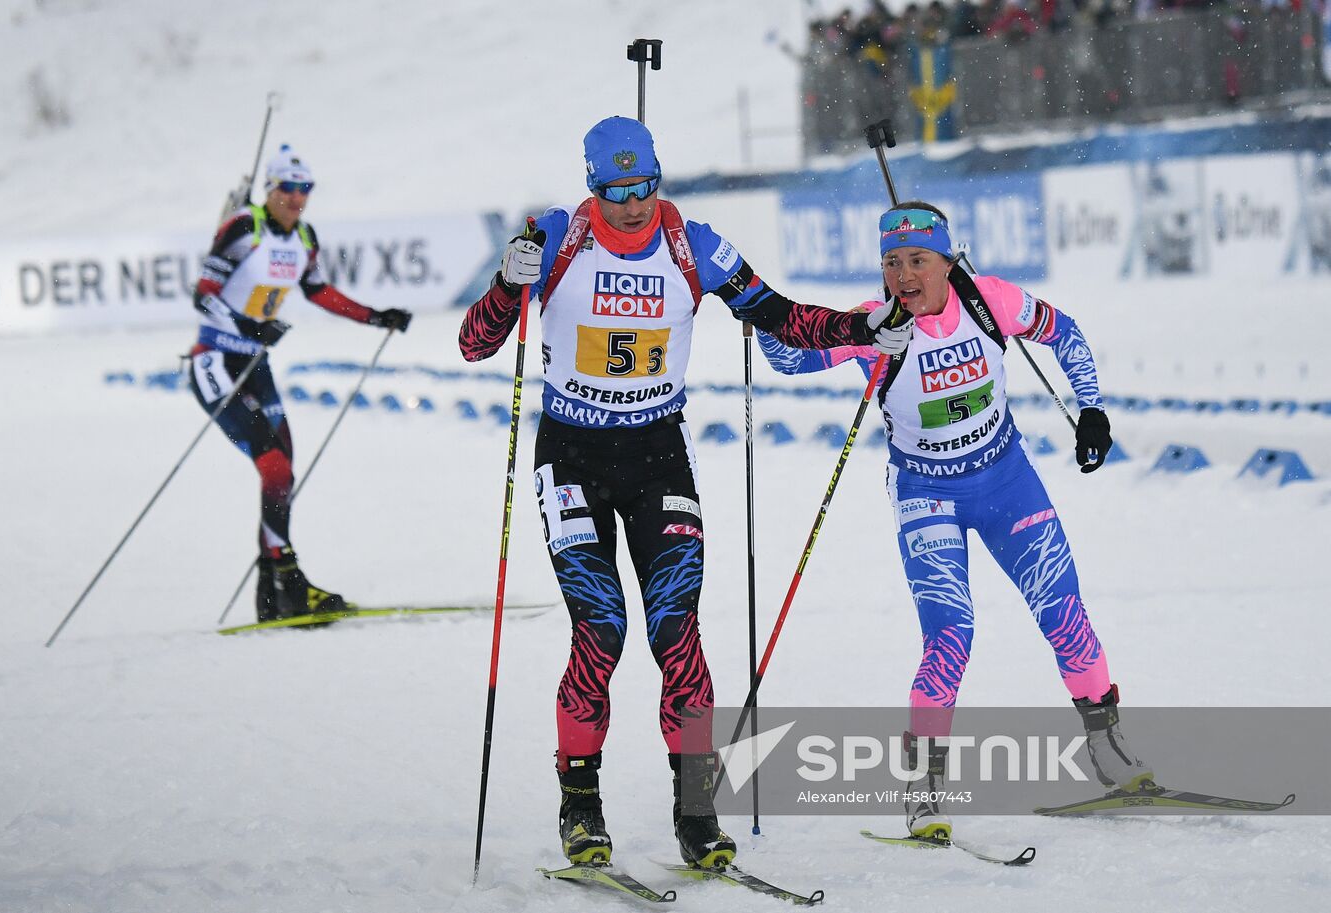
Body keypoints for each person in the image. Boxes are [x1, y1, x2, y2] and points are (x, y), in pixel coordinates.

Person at [458, 116, 913, 868]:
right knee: (601, 629)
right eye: (616, 191)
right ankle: (581, 804)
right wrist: (510, 280)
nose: (633, 204)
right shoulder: (555, 240)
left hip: (656, 454)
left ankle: (696, 810)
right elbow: (475, 343)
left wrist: (864, 326)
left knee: (678, 632)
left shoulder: (694, 244)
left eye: (645, 188)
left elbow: (781, 317)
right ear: (592, 188)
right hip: (569, 456)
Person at [756, 201, 1151, 840]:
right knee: (950, 638)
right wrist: (768, 315)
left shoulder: (989, 300)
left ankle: (1107, 745)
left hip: (1007, 481)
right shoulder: (870, 324)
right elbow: (787, 359)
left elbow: (1065, 333)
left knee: (1065, 615)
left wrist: (1093, 411)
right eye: (891, 262)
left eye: (918, 261)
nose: (904, 276)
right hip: (925, 494)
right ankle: (926, 786)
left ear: (947, 261)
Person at [188, 144, 412, 623]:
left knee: (282, 472)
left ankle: (273, 591)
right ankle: (287, 581)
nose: (296, 198)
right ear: (269, 190)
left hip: (255, 364)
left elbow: (317, 291)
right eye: (287, 188)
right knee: (272, 466)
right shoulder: (244, 227)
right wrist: (248, 327)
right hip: (215, 362)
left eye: (304, 188)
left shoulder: (305, 236)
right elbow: (202, 295)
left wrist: (376, 317)